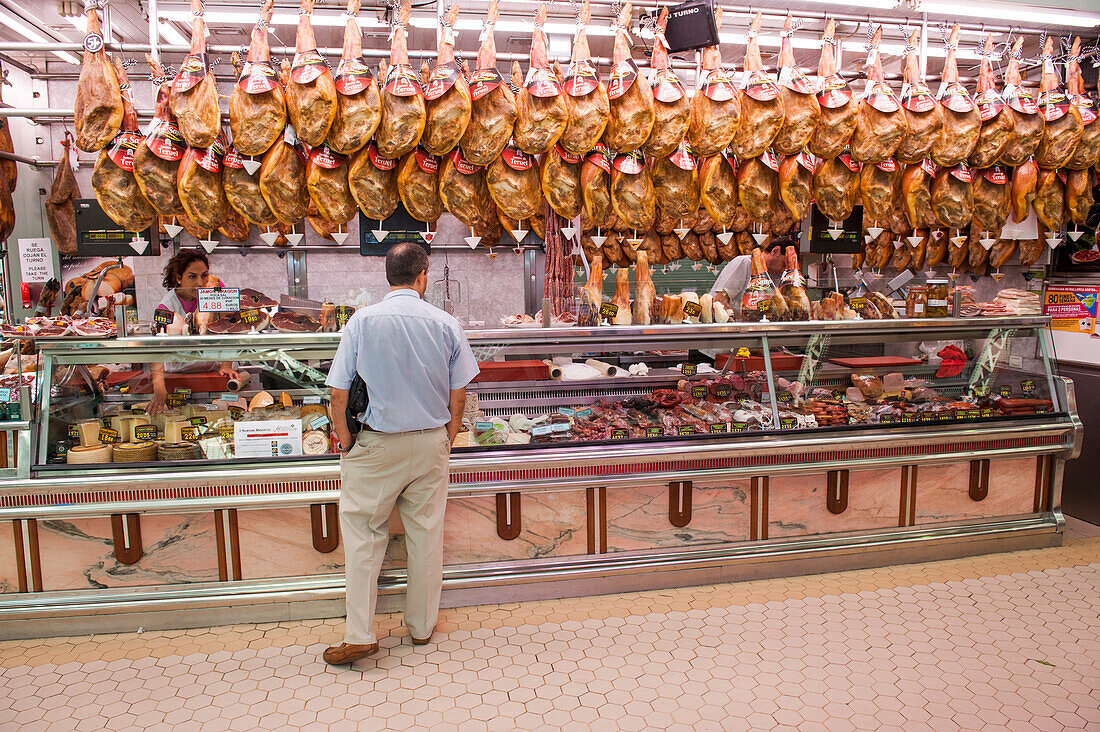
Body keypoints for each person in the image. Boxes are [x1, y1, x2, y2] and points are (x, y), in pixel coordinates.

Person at [323, 243, 480, 666]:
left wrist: (346, 439)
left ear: (387, 276)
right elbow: (459, 393)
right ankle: (422, 629)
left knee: (362, 537)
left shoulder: (362, 321)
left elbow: (338, 392)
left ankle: (360, 634)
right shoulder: (446, 323)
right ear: (423, 275)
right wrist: (445, 437)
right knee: (425, 537)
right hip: (430, 441)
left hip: (375, 444)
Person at [147, 250, 244, 414]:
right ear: (179, 278)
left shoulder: (215, 290)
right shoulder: (166, 307)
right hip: (180, 376)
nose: (200, 282)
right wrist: (159, 388)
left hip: (214, 374)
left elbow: (230, 328)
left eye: (204, 275)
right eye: (192, 277)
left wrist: (227, 364)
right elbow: (157, 348)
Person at [709, 237, 790, 306]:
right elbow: (720, 301)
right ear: (775, 251)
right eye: (783, 264)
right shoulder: (744, 262)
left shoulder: (777, 276)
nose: (783, 270)